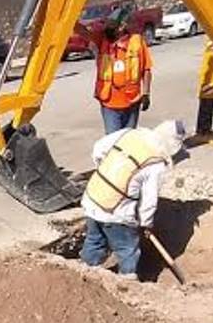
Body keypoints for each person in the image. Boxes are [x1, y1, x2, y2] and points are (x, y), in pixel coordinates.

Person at [80, 119, 186, 278]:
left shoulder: (129, 134)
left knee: (94, 241)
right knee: (127, 249)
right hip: (116, 211)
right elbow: (149, 201)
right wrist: (146, 223)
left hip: (93, 197)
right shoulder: (155, 163)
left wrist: (107, 174)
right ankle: (127, 282)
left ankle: (85, 273)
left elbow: (98, 149)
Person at [74, 7, 153, 133]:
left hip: (132, 101)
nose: (108, 28)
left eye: (112, 25)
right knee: (113, 141)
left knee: (128, 139)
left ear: (122, 27)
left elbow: (146, 69)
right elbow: (83, 32)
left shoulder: (136, 42)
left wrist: (146, 94)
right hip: (109, 103)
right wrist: (71, 18)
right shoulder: (102, 40)